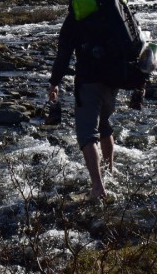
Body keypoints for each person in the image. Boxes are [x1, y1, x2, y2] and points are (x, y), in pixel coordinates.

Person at [48, 11, 118, 201]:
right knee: (104, 124)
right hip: (114, 78)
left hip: (88, 81)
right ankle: (109, 171)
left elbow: (64, 52)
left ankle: (98, 188)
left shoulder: (76, 16)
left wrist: (54, 82)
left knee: (87, 134)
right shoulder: (113, 13)